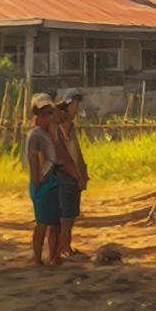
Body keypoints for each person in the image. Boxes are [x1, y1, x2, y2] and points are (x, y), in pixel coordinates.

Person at [24, 94, 62, 266]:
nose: (49, 117)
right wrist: (37, 185)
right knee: (42, 224)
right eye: (45, 114)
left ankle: (54, 256)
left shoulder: (47, 133)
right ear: (38, 116)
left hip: (51, 181)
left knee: (54, 223)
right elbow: (33, 162)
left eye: (50, 113)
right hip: (43, 184)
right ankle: (37, 258)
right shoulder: (35, 135)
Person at [51, 90, 89, 259]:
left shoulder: (70, 126)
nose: (76, 107)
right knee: (65, 216)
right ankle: (62, 248)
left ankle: (66, 246)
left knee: (71, 214)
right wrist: (77, 175)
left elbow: (76, 152)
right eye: (74, 104)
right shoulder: (59, 127)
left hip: (74, 174)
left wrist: (83, 170)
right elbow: (64, 156)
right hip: (64, 174)